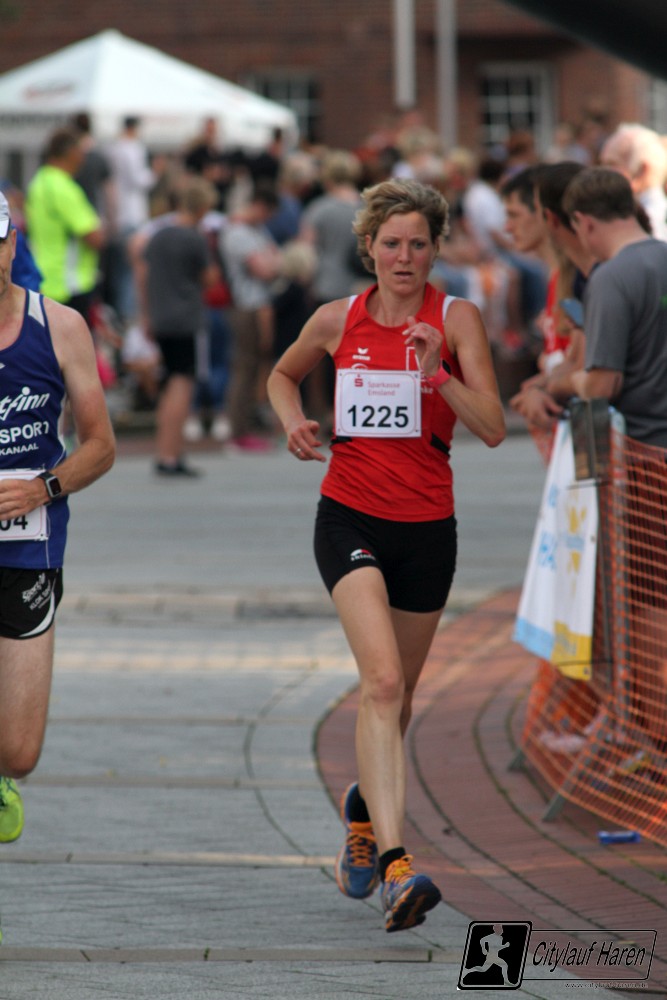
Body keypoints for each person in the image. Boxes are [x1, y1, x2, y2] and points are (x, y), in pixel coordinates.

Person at [267, 178, 505, 933]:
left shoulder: (456, 319)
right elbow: (282, 374)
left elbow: (493, 427)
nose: (404, 257)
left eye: (418, 245)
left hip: (428, 529)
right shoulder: (336, 318)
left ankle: (364, 814)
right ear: (368, 247)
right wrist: (292, 421)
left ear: (435, 251)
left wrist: (438, 373)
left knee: (396, 704)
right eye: (391, 244)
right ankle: (399, 867)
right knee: (381, 681)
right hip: (348, 515)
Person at [0, 191, 115, 845]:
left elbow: (100, 446)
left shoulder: (60, 326)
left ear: (12, 244)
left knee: (19, 753)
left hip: (29, 549)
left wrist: (42, 488)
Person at [139, 176, 219, 476]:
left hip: (160, 316)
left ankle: (165, 450)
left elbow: (144, 274)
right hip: (186, 318)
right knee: (181, 384)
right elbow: (210, 278)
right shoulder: (194, 237)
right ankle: (171, 454)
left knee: (169, 382)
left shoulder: (158, 235)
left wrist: (146, 315)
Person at [220, 183, 283, 450]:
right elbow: (265, 270)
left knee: (255, 366)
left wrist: (275, 263)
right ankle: (238, 431)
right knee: (245, 368)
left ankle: (244, 427)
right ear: (259, 206)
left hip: (259, 306)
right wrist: (277, 264)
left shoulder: (257, 230)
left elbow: (274, 260)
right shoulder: (238, 232)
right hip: (246, 306)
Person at [24, 126, 105, 323]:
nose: (84, 158)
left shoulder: (38, 181)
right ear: (71, 152)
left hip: (43, 278)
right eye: (81, 151)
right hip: (69, 284)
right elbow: (94, 237)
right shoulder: (64, 188)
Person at [599, 123, 667, 241]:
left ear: (642, 171)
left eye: (612, 164)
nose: (601, 173)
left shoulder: (649, 221)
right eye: (602, 165)